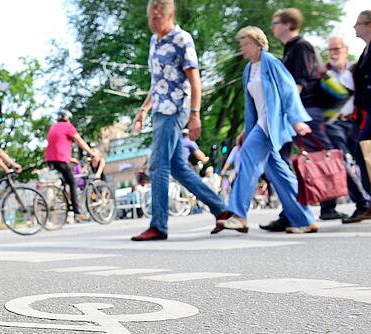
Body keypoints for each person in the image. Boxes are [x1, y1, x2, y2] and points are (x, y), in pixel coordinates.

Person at [130, 0, 229, 241]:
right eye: (150, 19)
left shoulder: (182, 39)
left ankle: (158, 225)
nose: (153, 23)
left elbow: (195, 79)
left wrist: (195, 114)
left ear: (170, 15)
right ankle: (222, 210)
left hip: (176, 108)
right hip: (159, 109)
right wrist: (143, 109)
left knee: (157, 163)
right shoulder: (155, 41)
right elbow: (157, 83)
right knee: (178, 168)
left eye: (157, 18)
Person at [216, 27, 317, 234]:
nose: (241, 48)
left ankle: (239, 215)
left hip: (271, 125)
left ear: (257, 44)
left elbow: (288, 89)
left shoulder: (270, 61)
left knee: (247, 159)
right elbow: (251, 105)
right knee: (279, 174)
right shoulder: (248, 69)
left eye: (245, 44)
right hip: (260, 124)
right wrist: (246, 130)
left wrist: (296, 120)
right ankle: (305, 219)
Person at [262, 8, 340, 230]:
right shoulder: (290, 48)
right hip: (293, 111)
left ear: (287, 24)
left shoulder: (301, 46)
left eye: (276, 22)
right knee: (281, 158)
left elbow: (300, 81)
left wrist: (286, 110)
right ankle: (290, 212)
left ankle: (354, 201)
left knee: (324, 155)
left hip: (304, 111)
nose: (273, 27)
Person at [325, 35, 371, 223]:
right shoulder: (324, 72)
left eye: (337, 49)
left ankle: (367, 202)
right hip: (333, 123)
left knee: (363, 160)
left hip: (354, 121)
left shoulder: (354, 69)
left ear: (345, 49)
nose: (333, 53)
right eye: (330, 50)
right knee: (340, 162)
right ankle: (362, 203)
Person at [45, 110, 99, 222]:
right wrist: (91, 153)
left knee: (66, 180)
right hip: (60, 159)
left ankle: (65, 200)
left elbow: (57, 145)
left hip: (50, 159)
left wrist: (70, 159)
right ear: (68, 119)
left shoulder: (53, 127)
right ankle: (77, 212)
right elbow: (79, 141)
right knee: (72, 182)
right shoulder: (68, 127)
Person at [349, 11, 371, 224]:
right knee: (362, 150)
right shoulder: (366, 50)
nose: (354, 28)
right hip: (367, 110)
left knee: (362, 150)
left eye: (357, 24)